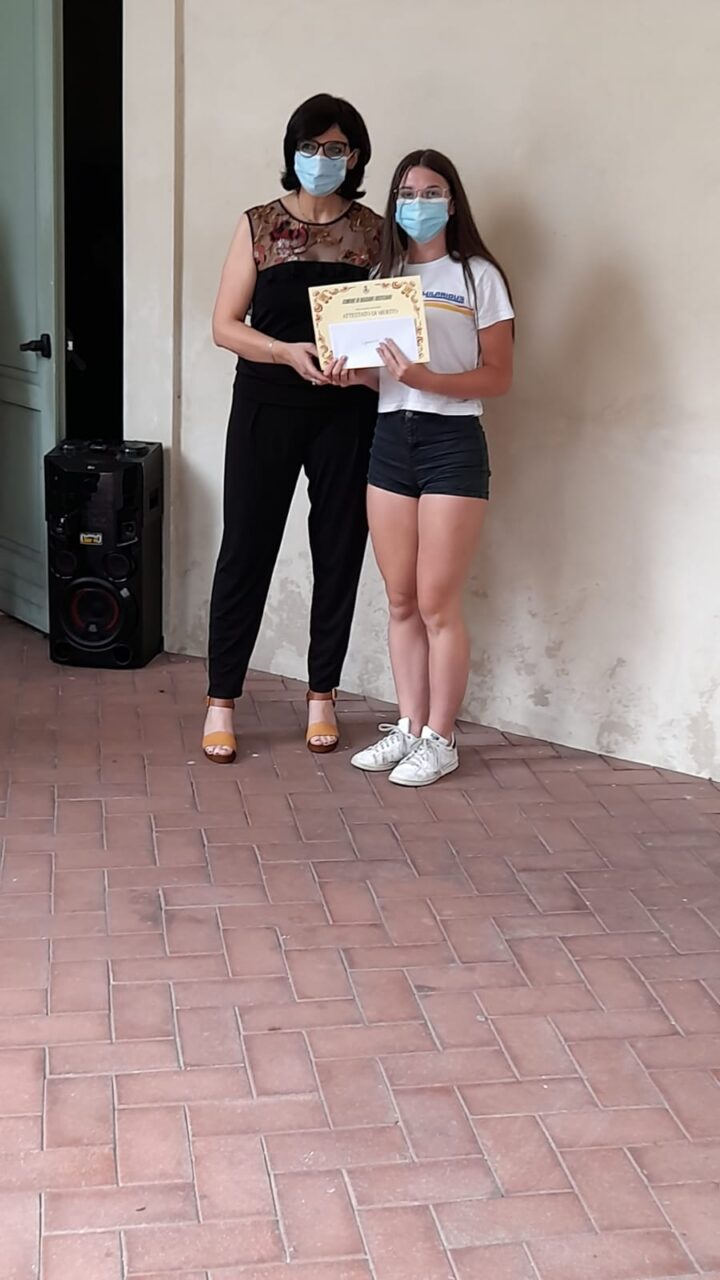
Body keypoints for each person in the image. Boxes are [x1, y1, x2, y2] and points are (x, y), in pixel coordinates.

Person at [203, 94, 383, 764]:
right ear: (292, 152)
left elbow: (393, 329)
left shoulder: (375, 234)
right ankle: (221, 700)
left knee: (339, 549)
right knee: (246, 549)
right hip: (265, 405)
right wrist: (283, 352)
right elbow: (225, 326)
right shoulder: (258, 225)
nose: (321, 159)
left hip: (347, 411)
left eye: (335, 148)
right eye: (310, 147)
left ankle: (322, 695)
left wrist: (361, 367)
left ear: (355, 156)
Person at [327, 149, 514, 786]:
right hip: (389, 439)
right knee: (401, 598)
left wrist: (426, 379)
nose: (418, 203)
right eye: (407, 193)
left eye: (431, 192)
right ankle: (408, 727)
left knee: (437, 601)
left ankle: (441, 737)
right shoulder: (385, 275)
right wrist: (351, 374)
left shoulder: (478, 276)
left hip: (451, 442)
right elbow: (380, 374)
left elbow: (499, 376)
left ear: (452, 202)